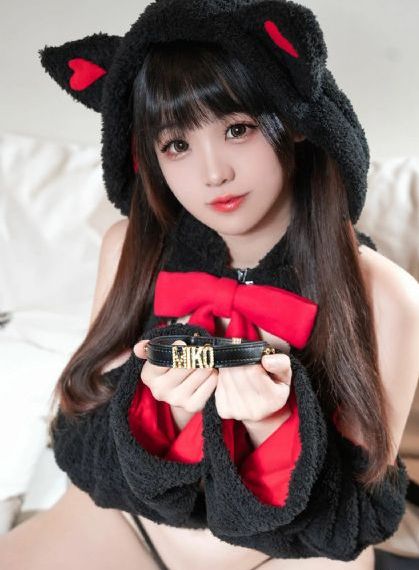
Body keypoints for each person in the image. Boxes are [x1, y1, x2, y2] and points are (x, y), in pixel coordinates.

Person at [1, 1, 419, 569]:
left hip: (289, 557)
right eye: (177, 145)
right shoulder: (129, 249)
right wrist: (163, 417)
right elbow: (80, 439)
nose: (213, 172)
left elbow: (353, 519)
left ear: (295, 123)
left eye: (237, 129)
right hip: (126, 526)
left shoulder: (386, 295)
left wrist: (269, 428)